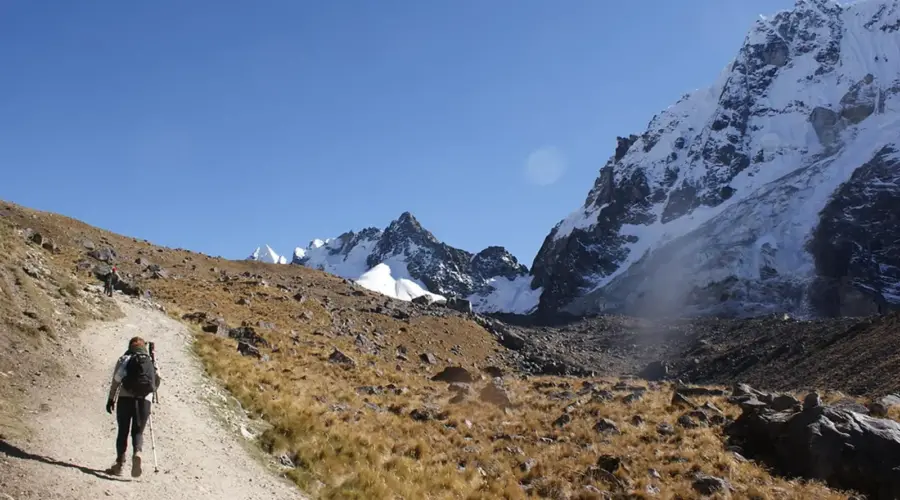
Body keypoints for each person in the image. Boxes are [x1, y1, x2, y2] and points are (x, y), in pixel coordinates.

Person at [105, 336, 160, 477]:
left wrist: (111, 399)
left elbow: (116, 380)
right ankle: (137, 452)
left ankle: (119, 465)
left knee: (123, 431)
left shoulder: (125, 359)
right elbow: (157, 381)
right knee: (138, 432)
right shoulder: (150, 361)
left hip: (125, 398)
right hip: (144, 400)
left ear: (130, 346)